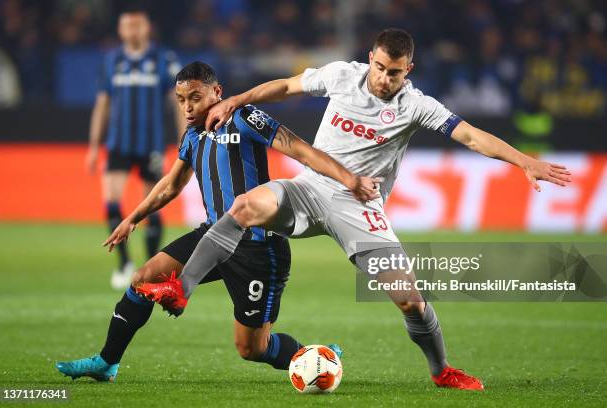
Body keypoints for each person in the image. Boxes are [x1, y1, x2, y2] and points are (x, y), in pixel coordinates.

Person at [143, 29, 572, 390]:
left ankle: (442, 370)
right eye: (381, 68)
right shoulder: (343, 75)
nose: (386, 79)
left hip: (359, 207)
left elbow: (471, 137)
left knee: (409, 301)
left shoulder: (416, 105)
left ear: (409, 71)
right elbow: (287, 87)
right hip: (311, 188)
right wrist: (236, 99)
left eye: (396, 72)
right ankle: (183, 288)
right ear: (371, 60)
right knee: (244, 206)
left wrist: (524, 160)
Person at [56, 61, 376, 382]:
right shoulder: (192, 136)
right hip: (211, 236)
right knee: (144, 278)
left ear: (217, 92)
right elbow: (171, 184)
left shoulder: (243, 117)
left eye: (195, 97)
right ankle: (107, 362)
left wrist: (349, 180)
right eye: (181, 100)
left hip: (257, 246)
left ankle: (318, 356)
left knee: (252, 349)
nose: (187, 107)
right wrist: (133, 219)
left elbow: (298, 148)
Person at [86, 7, 185, 289]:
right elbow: (102, 104)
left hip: (150, 144)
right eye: (127, 26)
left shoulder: (162, 59)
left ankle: (150, 266)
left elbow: (177, 102)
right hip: (118, 143)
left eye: (137, 26)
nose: (132, 31)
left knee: (152, 205)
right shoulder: (111, 61)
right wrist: (94, 145)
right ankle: (124, 263)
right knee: (112, 200)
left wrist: (183, 138)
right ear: (120, 30)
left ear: (146, 28)